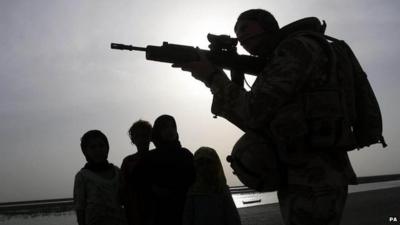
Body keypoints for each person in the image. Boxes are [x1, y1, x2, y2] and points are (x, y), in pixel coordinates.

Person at [172, 9, 358, 225]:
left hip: (314, 174)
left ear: (266, 26)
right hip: (304, 170)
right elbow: (256, 122)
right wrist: (231, 73)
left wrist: (213, 76)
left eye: (244, 28)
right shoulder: (282, 56)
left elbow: (254, 112)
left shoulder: (296, 48)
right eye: (236, 32)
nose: (240, 37)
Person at [146, 114, 195, 225]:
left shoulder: (186, 154)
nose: (170, 130)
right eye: (165, 127)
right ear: (158, 132)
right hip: (160, 213)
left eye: (172, 126)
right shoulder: (150, 157)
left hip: (186, 211)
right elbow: (141, 184)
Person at [73, 130, 126, 225]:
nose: (98, 150)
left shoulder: (117, 172)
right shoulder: (82, 176)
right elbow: (80, 208)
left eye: (101, 145)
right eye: (92, 147)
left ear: (107, 148)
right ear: (85, 151)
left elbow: (124, 200)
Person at [183, 147, 241, 225]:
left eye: (208, 162)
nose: (205, 167)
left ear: (216, 165)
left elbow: (233, 218)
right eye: (201, 163)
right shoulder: (193, 191)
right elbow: (187, 219)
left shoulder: (222, 189)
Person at [120, 120, 153, 225]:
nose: (141, 139)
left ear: (150, 137)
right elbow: (122, 187)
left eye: (144, 135)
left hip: (156, 211)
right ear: (133, 140)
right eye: (137, 136)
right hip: (134, 212)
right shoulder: (128, 161)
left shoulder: (158, 157)